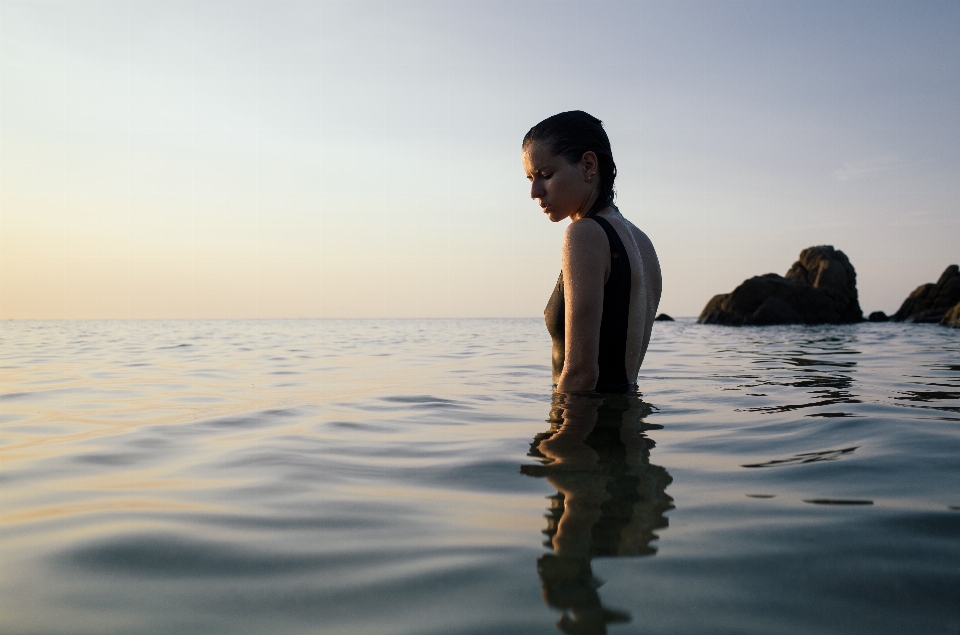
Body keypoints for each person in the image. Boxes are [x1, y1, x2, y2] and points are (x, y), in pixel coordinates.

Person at [522, 111, 662, 393]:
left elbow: (581, 374)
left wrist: (559, 436)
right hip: (630, 426)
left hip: (588, 429)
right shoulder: (643, 242)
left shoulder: (584, 234)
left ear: (588, 165)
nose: (535, 192)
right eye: (529, 178)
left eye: (545, 175)